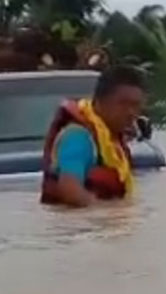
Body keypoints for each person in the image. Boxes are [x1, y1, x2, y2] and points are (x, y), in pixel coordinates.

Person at [40, 65, 147, 207]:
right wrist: (112, 214)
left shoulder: (115, 141)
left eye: (136, 105)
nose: (131, 112)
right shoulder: (78, 137)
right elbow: (70, 192)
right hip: (79, 227)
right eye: (123, 104)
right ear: (100, 101)